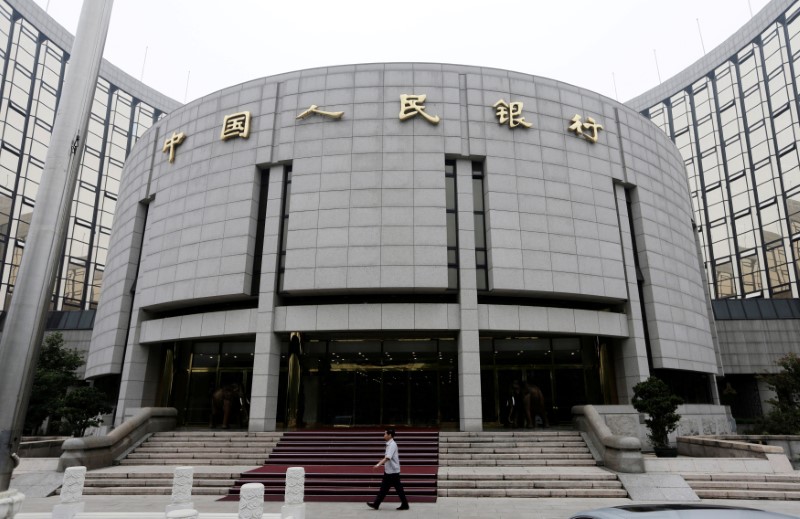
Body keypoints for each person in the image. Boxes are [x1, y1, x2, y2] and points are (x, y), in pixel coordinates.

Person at [366, 428, 410, 511]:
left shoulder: (392, 444)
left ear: (390, 435)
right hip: (390, 471)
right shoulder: (389, 444)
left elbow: (388, 457)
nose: (384, 435)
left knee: (391, 488)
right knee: (387, 488)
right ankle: (377, 504)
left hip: (392, 471)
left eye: (385, 434)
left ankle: (377, 504)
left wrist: (378, 464)